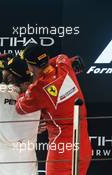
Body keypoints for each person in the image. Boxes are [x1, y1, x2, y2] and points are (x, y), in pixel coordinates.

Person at [15, 43, 92, 175]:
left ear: (30, 66)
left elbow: (20, 107)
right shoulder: (64, 66)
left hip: (62, 151)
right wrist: (43, 68)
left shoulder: (38, 88)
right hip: (83, 146)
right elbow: (61, 57)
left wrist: (27, 87)